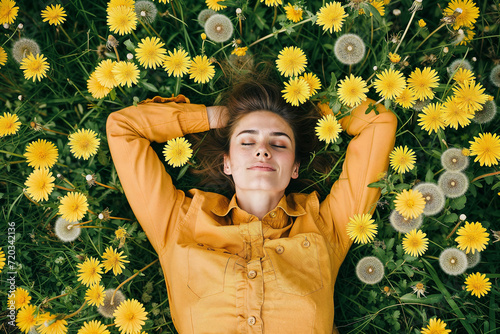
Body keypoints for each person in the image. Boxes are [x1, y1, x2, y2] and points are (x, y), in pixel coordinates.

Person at [106, 78, 397, 334]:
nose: (263, 149)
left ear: (295, 167)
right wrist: (221, 116)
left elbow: (377, 124)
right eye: (246, 141)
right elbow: (124, 127)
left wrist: (303, 103)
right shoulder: (179, 223)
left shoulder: (326, 227)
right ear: (227, 162)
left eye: (279, 144)